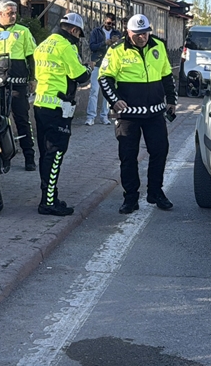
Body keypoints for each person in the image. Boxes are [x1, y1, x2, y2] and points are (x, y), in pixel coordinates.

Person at [98, 14, 178, 214]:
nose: (142, 37)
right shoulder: (116, 50)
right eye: (138, 34)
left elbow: (167, 75)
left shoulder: (158, 46)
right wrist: (114, 100)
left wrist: (171, 101)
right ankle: (130, 197)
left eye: (145, 33)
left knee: (160, 151)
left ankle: (155, 192)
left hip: (155, 112)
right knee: (128, 156)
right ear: (128, 32)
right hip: (128, 115)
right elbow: (104, 78)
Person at [31, 12, 91, 216]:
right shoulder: (66, 46)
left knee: (45, 154)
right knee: (55, 155)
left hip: (41, 104)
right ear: (74, 30)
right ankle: (47, 202)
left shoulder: (44, 44)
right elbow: (81, 76)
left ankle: (50, 196)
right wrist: (88, 70)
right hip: (58, 107)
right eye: (78, 34)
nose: (78, 39)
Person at [0, 0, 38, 171]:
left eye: (15, 12)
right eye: (9, 13)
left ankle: (29, 156)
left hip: (17, 83)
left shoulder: (23, 31)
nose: (13, 16)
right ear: (0, 14)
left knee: (22, 119)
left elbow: (31, 56)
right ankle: (2, 156)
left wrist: (33, 78)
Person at [86, 13, 121, 125]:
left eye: (112, 23)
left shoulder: (117, 34)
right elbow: (92, 46)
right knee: (94, 90)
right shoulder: (96, 32)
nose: (110, 25)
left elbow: (122, 48)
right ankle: (91, 116)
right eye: (108, 23)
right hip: (97, 63)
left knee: (107, 91)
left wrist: (116, 43)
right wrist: (104, 43)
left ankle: (104, 116)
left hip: (110, 65)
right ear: (104, 21)